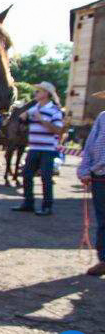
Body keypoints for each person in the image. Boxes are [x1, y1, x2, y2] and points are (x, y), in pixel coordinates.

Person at [12, 81, 64, 216]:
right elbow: (22, 119)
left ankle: (47, 206)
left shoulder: (55, 110)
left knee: (46, 177)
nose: (35, 93)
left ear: (46, 94)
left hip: (48, 150)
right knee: (26, 175)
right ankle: (28, 203)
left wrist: (41, 119)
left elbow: (58, 130)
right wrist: (22, 118)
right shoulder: (33, 109)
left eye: (38, 91)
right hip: (34, 148)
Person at [77, 90, 105, 276]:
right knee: (103, 220)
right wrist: (85, 169)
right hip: (100, 176)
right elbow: (90, 146)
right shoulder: (102, 117)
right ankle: (104, 259)